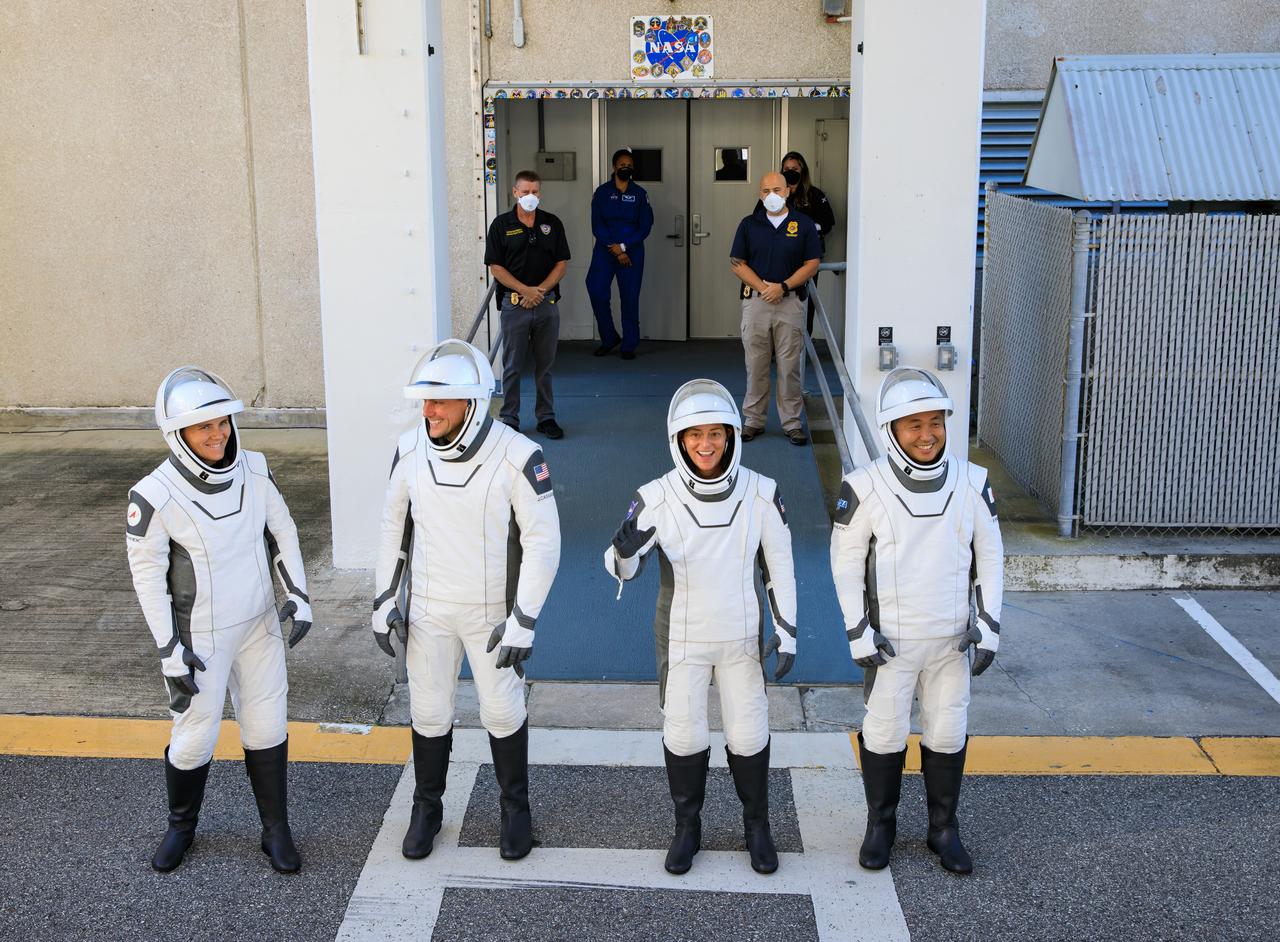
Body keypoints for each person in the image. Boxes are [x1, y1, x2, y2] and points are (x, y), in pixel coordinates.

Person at [373, 339, 561, 862]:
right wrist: (385, 598)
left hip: (492, 618)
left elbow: (545, 543)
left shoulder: (520, 456)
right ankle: (426, 810)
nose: (427, 411)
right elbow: (394, 528)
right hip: (429, 611)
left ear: (473, 402)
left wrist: (524, 619)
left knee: (501, 711)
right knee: (429, 713)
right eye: (425, 400)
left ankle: (514, 810)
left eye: (440, 400)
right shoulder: (409, 450)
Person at [604, 379, 797, 876]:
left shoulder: (761, 492)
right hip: (682, 638)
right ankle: (687, 828)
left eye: (715, 433)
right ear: (678, 439)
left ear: (731, 435)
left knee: (749, 733)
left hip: (742, 638)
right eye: (695, 435)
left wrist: (787, 629)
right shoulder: (655, 496)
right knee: (684, 734)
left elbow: (780, 567)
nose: (706, 445)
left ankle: (757, 826)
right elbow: (623, 563)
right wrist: (621, 555)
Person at [125, 366, 312, 874]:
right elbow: (148, 581)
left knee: (267, 725)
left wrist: (298, 594)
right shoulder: (153, 494)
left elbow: (283, 531)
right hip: (199, 639)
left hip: (259, 625)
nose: (217, 434)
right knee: (195, 736)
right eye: (203, 426)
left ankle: (275, 831)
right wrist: (169, 651)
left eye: (223, 421)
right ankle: (181, 827)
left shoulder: (255, 467)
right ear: (177, 433)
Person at [829, 368, 1003, 876]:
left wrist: (990, 624)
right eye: (913, 425)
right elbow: (844, 565)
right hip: (891, 646)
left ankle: (943, 829)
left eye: (936, 422)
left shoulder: (974, 482)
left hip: (951, 641)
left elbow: (990, 558)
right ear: (890, 431)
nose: (927, 434)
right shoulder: (864, 487)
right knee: (883, 734)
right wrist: (857, 629)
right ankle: (880, 826)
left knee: (948, 731)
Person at [729, 172, 822, 445]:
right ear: (760, 194)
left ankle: (792, 422)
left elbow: (812, 263)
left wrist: (781, 286)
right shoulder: (749, 224)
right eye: (766, 190)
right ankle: (753, 421)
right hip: (756, 303)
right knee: (755, 364)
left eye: (777, 189)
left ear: (787, 192)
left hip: (789, 302)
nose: (772, 195)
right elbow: (737, 262)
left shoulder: (802, 224)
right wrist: (763, 287)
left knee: (789, 365)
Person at [485, 170, 571, 439]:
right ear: (515, 192)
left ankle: (546, 417)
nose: (530, 197)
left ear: (540, 193)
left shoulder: (552, 223)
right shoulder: (501, 225)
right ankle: (510, 418)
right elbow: (496, 268)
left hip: (546, 304)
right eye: (525, 192)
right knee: (512, 365)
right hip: (514, 305)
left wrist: (540, 291)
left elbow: (561, 264)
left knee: (545, 366)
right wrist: (525, 291)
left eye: (535, 192)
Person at [586, 147, 654, 360]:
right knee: (596, 289)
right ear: (614, 166)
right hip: (605, 251)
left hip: (632, 253)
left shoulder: (640, 194)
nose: (626, 168)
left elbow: (645, 225)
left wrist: (624, 247)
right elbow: (597, 224)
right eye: (622, 165)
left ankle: (629, 344)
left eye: (630, 166)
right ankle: (609, 337)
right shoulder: (602, 192)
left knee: (630, 297)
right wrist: (614, 248)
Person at [779, 152, 836, 335]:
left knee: (805, 300)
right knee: (780, 298)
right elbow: (759, 220)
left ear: (802, 170)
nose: (790, 172)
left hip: (807, 257)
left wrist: (810, 228)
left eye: (794, 169)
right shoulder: (776, 194)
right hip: (780, 255)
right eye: (786, 169)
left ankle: (803, 343)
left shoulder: (814, 194)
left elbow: (828, 223)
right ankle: (777, 344)